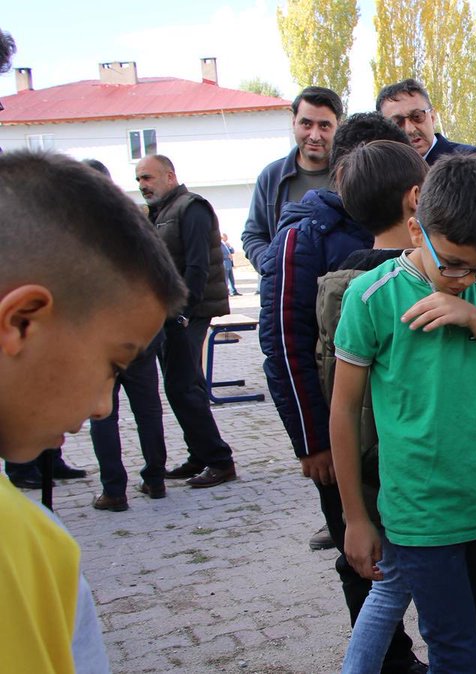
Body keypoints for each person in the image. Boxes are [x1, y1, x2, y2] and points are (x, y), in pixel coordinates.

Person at [332, 154, 476, 673]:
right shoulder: (371, 297)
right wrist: (355, 518)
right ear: (414, 228)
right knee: (454, 652)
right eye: (453, 264)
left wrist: (472, 317)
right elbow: (344, 411)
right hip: (420, 516)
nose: (465, 278)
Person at [0, 150, 186, 673]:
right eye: (112, 364)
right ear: (21, 322)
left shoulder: (40, 546)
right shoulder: (30, 547)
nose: (103, 406)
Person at [258, 115, 428, 673]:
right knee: (361, 554)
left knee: (398, 555)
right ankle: (391, 662)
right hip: (338, 436)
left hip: (402, 436)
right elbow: (284, 345)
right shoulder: (303, 236)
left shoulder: (408, 233)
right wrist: (312, 443)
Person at [135, 154, 238, 488]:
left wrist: (183, 311)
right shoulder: (160, 212)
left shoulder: (191, 207)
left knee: (182, 386)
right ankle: (200, 454)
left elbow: (196, 265)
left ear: (169, 176)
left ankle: (219, 460)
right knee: (181, 384)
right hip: (169, 313)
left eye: (148, 177)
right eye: (139, 179)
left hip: (188, 311)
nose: (143, 185)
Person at [75, 158, 171, 512]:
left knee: (104, 415)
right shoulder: (137, 220)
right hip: (140, 334)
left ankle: (114, 490)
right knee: (147, 410)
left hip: (103, 339)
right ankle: (155, 479)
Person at [243, 86, 344, 272]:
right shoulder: (271, 176)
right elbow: (254, 235)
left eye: (324, 126)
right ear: (293, 122)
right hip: (286, 286)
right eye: (306, 124)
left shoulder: (353, 174)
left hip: (342, 287)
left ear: (338, 126)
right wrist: (272, 266)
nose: (314, 136)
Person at [376, 79, 476, 164]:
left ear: (432, 117)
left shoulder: (470, 160)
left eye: (417, 116)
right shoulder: (381, 173)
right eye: (397, 123)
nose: (410, 129)